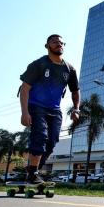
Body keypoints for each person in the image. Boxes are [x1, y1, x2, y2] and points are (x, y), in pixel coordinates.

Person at [20, 34, 80, 184]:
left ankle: (33, 171)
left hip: (54, 110)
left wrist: (76, 109)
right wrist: (24, 112)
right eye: (54, 42)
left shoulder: (70, 69)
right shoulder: (39, 64)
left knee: (51, 142)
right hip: (36, 106)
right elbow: (25, 88)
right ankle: (33, 173)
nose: (59, 44)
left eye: (61, 42)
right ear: (47, 46)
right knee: (40, 136)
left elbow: (75, 90)